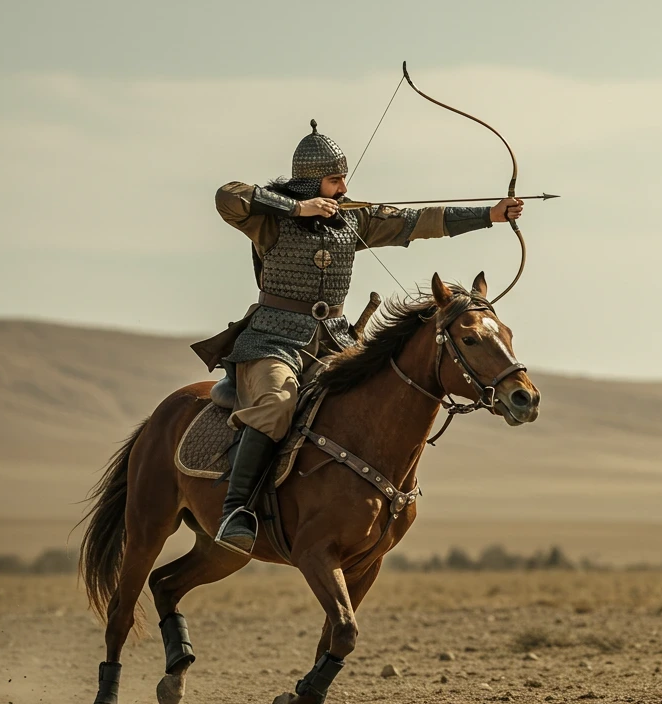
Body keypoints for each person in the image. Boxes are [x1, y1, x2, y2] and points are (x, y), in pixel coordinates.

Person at [191, 119, 523, 555]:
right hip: (273, 340)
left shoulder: (354, 220)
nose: (343, 186)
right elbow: (226, 195)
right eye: (334, 179)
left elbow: (415, 221)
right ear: (310, 182)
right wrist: (297, 209)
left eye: (344, 177)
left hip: (335, 340)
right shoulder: (266, 222)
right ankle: (237, 509)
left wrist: (490, 216)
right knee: (275, 405)